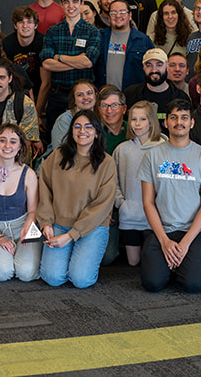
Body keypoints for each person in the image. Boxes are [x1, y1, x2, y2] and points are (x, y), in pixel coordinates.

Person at [140, 100, 201, 293]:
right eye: (173, 117)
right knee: (152, 283)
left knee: (193, 285)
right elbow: (148, 202)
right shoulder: (152, 156)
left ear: (192, 122)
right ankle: (170, 264)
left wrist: (184, 244)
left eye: (184, 117)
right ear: (166, 123)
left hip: (193, 232)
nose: (179, 122)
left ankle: (176, 264)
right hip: (161, 230)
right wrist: (165, 241)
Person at [35, 110, 119, 288]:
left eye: (89, 127)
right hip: (59, 223)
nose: (82, 131)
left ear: (97, 132)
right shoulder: (57, 155)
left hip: (92, 228)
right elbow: (45, 189)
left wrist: (72, 235)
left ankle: (76, 256)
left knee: (81, 280)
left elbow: (102, 205)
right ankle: (70, 256)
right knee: (52, 278)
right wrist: (46, 223)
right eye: (77, 126)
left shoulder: (107, 163)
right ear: (71, 130)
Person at [0, 123, 41, 282]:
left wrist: (27, 228)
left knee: (26, 274)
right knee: (1, 273)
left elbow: (33, 211)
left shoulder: (29, 174)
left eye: (13, 141)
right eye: (2, 140)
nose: (7, 146)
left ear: (20, 147)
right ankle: (4, 255)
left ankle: (21, 255)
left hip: (23, 228)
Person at [39, 0, 104, 131]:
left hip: (84, 96)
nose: (71, 6)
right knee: (55, 136)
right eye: (66, 2)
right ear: (61, 4)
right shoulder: (52, 32)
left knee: (86, 134)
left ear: (81, 3)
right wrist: (77, 61)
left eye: (75, 1)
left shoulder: (92, 32)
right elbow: (47, 64)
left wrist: (60, 57)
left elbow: (88, 62)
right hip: (58, 94)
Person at [114, 101, 165, 267]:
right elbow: (113, 181)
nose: (137, 123)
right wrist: (121, 203)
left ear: (151, 121)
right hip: (130, 215)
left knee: (151, 262)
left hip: (156, 217)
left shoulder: (164, 148)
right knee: (133, 262)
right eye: (133, 119)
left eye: (142, 119)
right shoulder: (122, 150)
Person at [123, 48, 188, 123]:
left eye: (159, 65)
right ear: (143, 67)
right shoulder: (130, 94)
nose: (154, 70)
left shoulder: (181, 97)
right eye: (149, 65)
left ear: (167, 66)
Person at [47, 80, 98, 155]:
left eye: (89, 93)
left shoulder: (100, 117)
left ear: (96, 96)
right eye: (80, 95)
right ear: (74, 99)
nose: (85, 97)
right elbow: (60, 153)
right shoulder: (64, 120)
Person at [5, 8, 46, 100]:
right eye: (21, 22)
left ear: (35, 25)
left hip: (40, 91)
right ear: (15, 25)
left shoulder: (43, 42)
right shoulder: (7, 43)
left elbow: (46, 82)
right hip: (15, 91)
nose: (25, 26)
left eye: (29, 22)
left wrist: (37, 111)